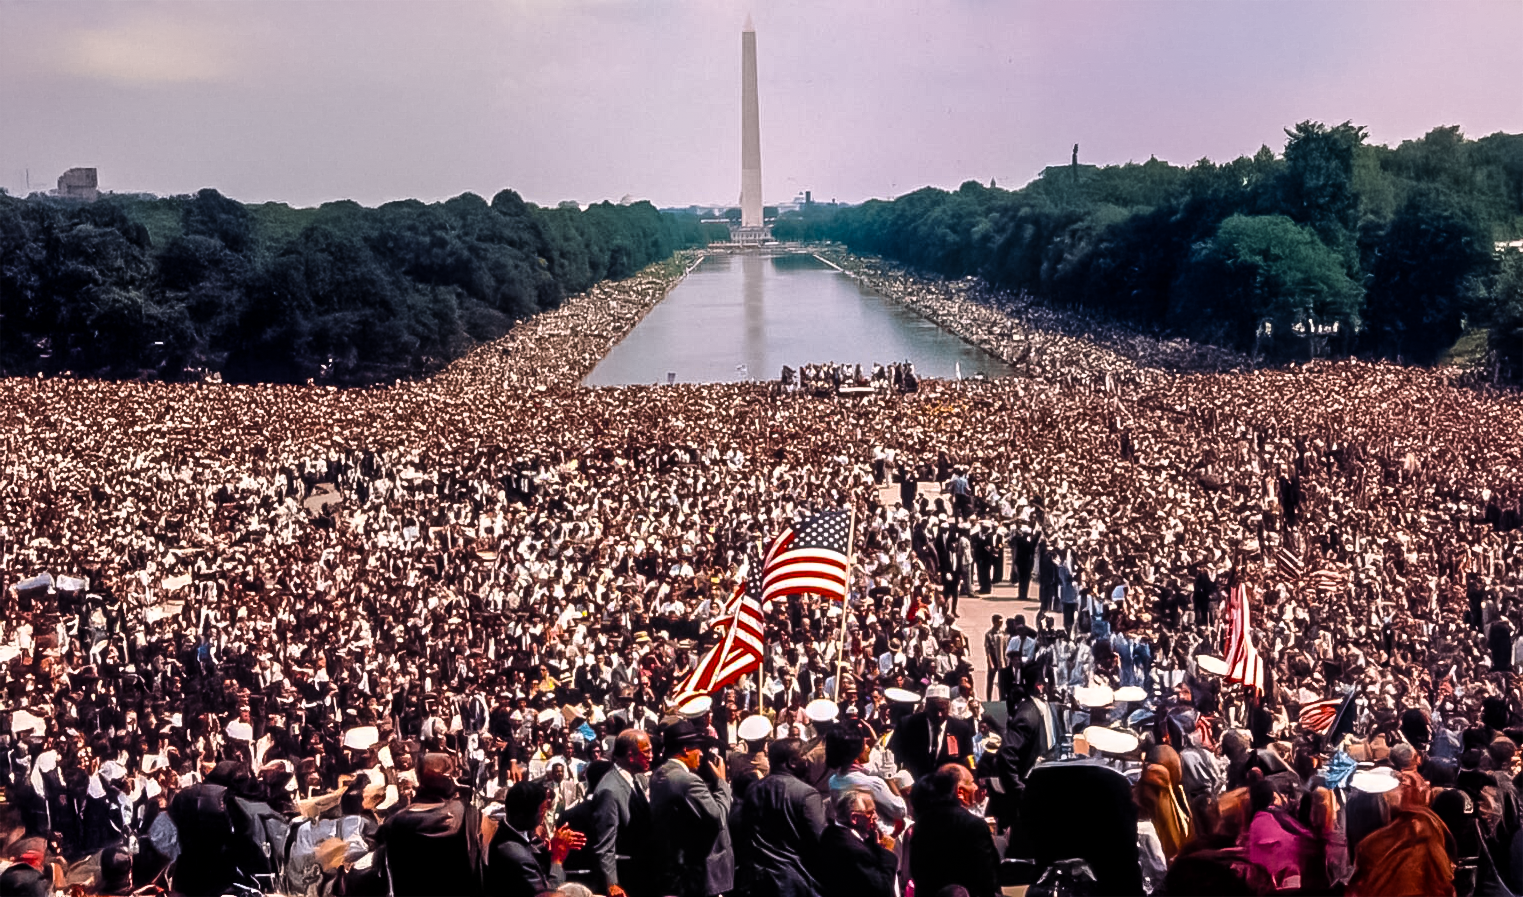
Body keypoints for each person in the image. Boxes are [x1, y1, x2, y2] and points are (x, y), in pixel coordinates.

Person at [377, 753, 486, 897]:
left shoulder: (394, 822)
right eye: (451, 774)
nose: (456, 780)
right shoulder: (468, 814)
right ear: (444, 778)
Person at [648, 721, 733, 897]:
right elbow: (718, 818)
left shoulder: (659, 773)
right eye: (698, 748)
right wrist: (722, 783)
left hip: (676, 868)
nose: (701, 754)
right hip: (698, 873)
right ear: (686, 749)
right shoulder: (688, 781)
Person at [739, 738, 829, 897]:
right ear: (792, 762)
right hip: (795, 882)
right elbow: (821, 840)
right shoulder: (807, 794)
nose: (807, 761)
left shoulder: (753, 789)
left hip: (758, 880)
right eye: (803, 756)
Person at [908, 764, 1000, 897]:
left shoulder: (921, 825)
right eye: (972, 782)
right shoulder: (974, 825)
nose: (975, 787)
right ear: (960, 792)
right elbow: (987, 877)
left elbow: (918, 873)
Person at [487, 778, 585, 897]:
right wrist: (557, 859)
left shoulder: (514, 830)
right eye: (542, 811)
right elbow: (548, 893)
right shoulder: (515, 854)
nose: (544, 815)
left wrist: (551, 847)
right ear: (523, 815)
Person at [587, 730, 654, 897]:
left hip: (643, 873)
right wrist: (612, 884)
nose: (652, 756)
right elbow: (605, 845)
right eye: (647, 752)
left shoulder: (636, 779)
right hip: (627, 880)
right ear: (631, 755)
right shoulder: (610, 790)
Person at [816, 790, 897, 897]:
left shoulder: (829, 832)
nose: (876, 816)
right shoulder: (855, 850)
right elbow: (882, 889)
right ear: (854, 818)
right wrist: (886, 852)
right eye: (871, 812)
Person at [890, 685, 975, 782]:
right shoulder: (907, 725)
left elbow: (966, 760)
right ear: (927, 706)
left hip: (947, 788)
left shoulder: (961, 729)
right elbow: (896, 754)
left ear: (949, 706)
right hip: (915, 785)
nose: (939, 714)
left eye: (943, 710)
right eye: (935, 710)